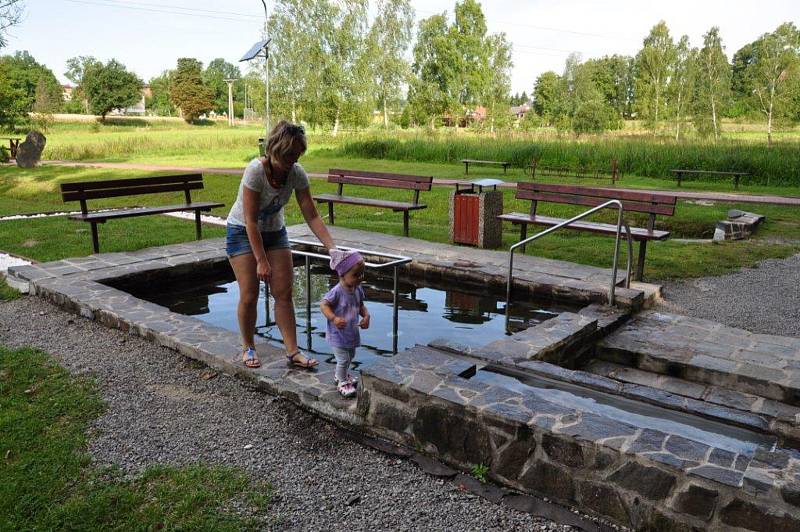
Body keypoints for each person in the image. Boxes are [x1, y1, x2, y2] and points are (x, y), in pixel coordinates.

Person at [226, 120, 336, 369]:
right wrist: (261, 260)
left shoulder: (296, 173)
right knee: (250, 294)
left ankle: (293, 351)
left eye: (296, 155)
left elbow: (312, 215)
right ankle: (248, 346)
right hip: (242, 231)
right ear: (275, 149)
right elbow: (250, 221)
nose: (292, 161)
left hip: (275, 232)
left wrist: (332, 248)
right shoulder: (255, 171)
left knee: (284, 293)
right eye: (288, 155)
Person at [320, 250, 370, 398]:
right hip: (338, 333)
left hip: (351, 332)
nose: (359, 278)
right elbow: (323, 305)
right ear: (342, 274)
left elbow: (360, 305)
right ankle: (342, 381)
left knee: (351, 355)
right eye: (355, 275)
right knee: (343, 359)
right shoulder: (337, 291)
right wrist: (334, 318)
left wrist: (366, 316)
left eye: (361, 274)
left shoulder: (357, 289)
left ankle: (340, 375)